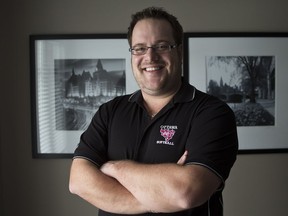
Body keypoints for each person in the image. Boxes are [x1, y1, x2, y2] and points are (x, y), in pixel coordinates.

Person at [69, 6, 238, 216]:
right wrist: (158, 198)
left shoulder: (212, 113)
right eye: (139, 48)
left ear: (179, 51)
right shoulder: (109, 112)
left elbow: (185, 193)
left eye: (162, 46)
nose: (150, 56)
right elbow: (78, 182)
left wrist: (114, 169)